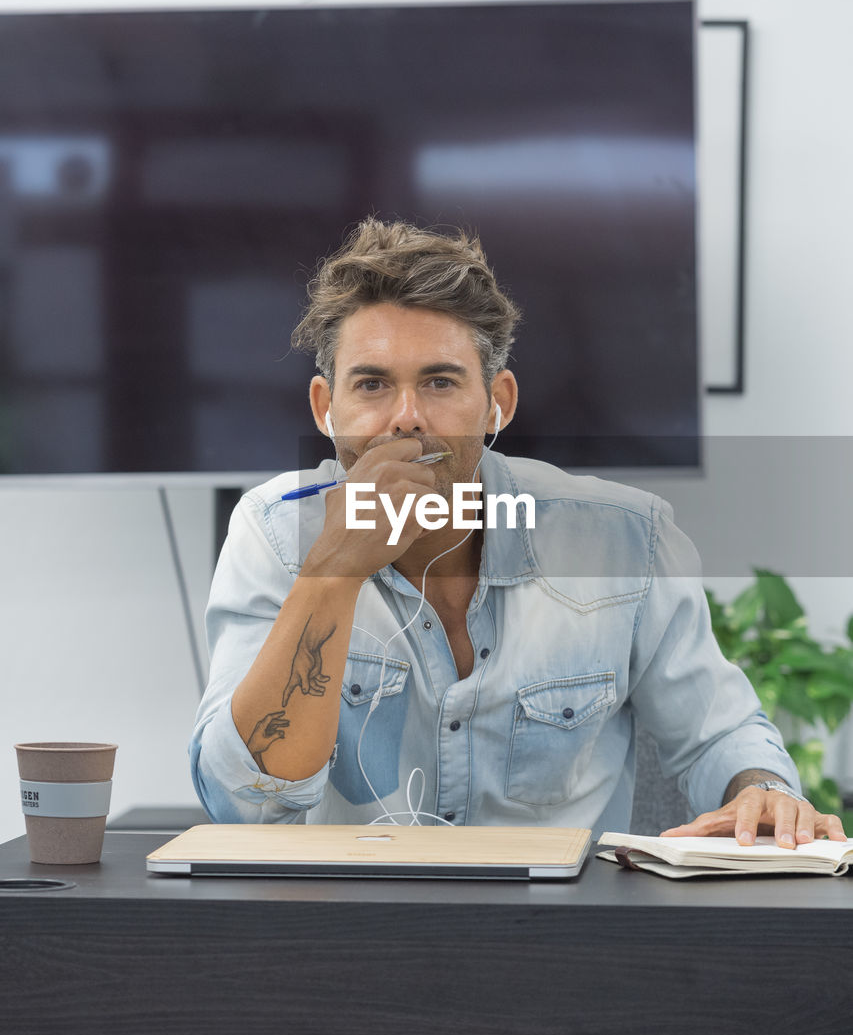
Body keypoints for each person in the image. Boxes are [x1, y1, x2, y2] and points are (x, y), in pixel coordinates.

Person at [190, 217, 845, 848]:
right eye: (371, 384)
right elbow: (244, 803)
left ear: (497, 402)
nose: (407, 419)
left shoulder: (623, 538)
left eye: (440, 382)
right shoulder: (273, 532)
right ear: (324, 408)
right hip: (348, 932)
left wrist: (760, 788)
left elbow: (715, 737)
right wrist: (330, 571)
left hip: (563, 938)